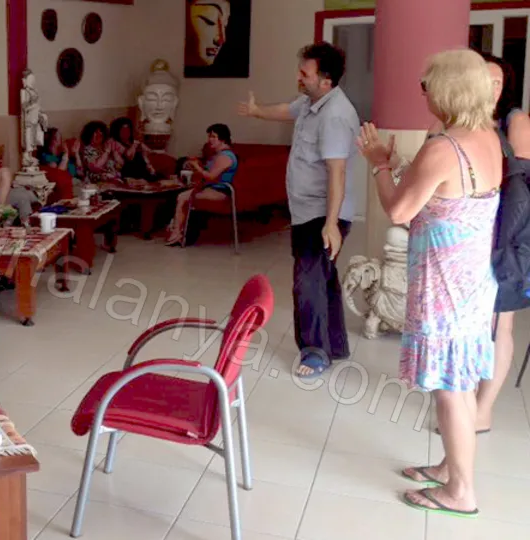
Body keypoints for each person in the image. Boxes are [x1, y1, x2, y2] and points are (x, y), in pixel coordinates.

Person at [357, 48, 501, 518]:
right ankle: (449, 468)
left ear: (447, 91)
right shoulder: (486, 136)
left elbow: (399, 210)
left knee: (450, 390)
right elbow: (442, 196)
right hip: (471, 283)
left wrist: (379, 163)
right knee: (457, 384)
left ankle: (460, 490)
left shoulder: (443, 147)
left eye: (426, 84)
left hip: (444, 287)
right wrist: (402, 171)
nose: (422, 92)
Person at [237, 41, 360, 379]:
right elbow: (285, 111)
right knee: (323, 277)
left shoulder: (335, 115)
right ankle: (334, 344)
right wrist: (256, 110)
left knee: (307, 281)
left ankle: (315, 351)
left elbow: (337, 171)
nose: (299, 77)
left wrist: (332, 224)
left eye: (305, 74)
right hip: (309, 211)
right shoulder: (312, 103)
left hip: (323, 212)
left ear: (326, 79)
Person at [475, 54, 530, 433]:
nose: (491, 87)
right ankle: (465, 403)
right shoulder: (465, 121)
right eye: (483, 79)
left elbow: (520, 191)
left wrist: (501, 245)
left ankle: (483, 409)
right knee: (475, 324)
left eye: (497, 81)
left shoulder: (516, 121)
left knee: (500, 324)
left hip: (507, 234)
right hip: (471, 234)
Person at [166, 123, 238, 246]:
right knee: (179, 195)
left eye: (213, 136)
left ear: (223, 139)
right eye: (209, 136)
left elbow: (211, 176)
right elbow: (207, 172)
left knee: (182, 197)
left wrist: (196, 167)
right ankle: (178, 231)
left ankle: (177, 233)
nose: (210, 140)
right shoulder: (218, 155)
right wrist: (195, 165)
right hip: (211, 188)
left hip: (221, 191)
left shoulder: (226, 156)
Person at [109, 117, 156, 181]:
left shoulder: (133, 141)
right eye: (123, 130)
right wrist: (136, 143)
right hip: (129, 172)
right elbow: (129, 156)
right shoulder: (115, 142)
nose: (126, 132)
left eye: (128, 129)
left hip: (142, 171)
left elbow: (150, 152)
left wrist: (148, 163)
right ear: (117, 131)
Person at [79, 121, 122, 185]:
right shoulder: (88, 149)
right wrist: (106, 152)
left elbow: (120, 165)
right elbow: (95, 167)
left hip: (113, 182)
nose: (99, 134)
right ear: (89, 134)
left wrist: (115, 153)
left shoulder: (105, 148)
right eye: (96, 132)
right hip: (95, 184)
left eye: (101, 132)